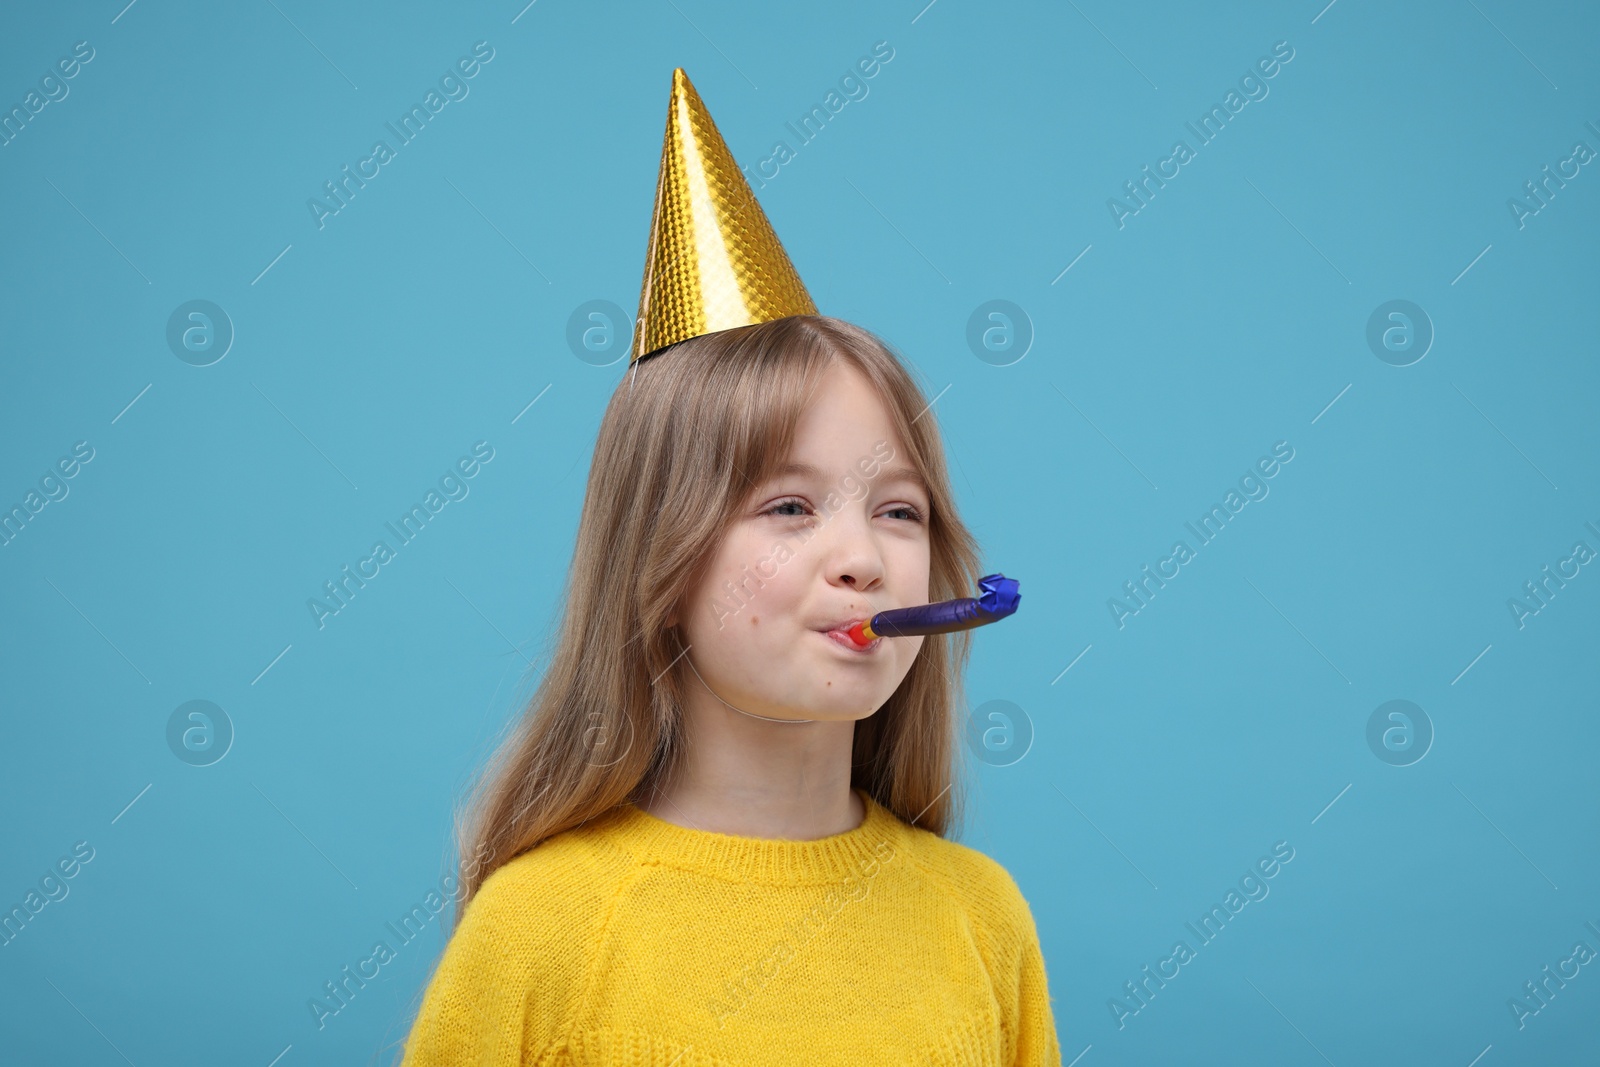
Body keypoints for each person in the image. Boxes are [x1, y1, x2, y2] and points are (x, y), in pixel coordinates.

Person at [397, 69, 1062, 1066]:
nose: (862, 558)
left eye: (897, 511)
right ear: (659, 567)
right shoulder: (536, 928)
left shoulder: (983, 918)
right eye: (789, 506)